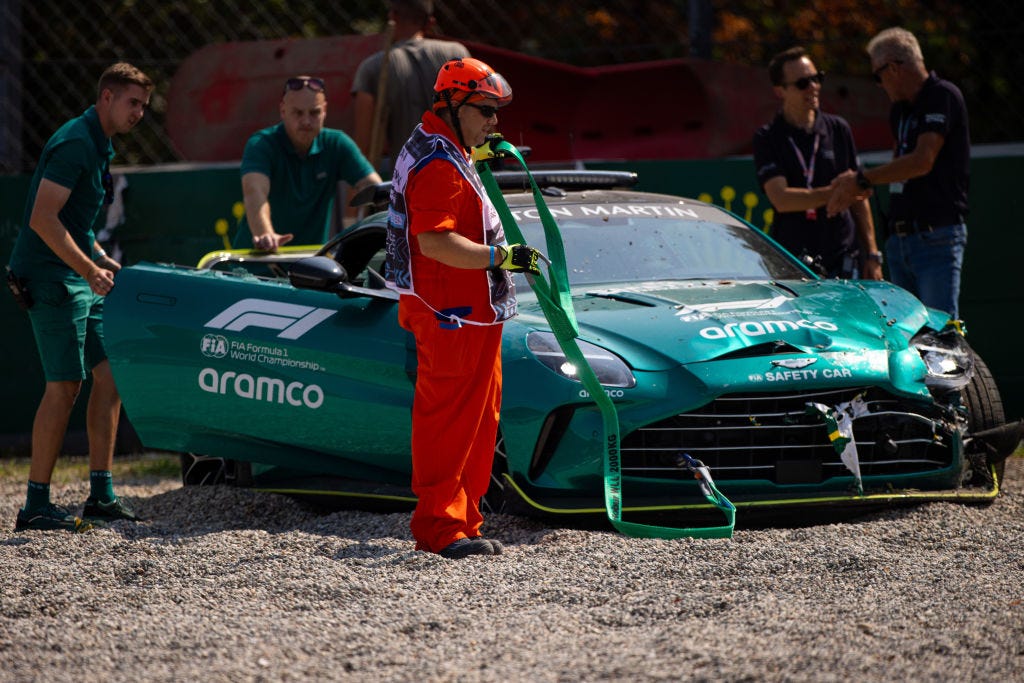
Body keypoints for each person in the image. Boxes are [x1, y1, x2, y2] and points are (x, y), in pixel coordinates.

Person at [385, 57, 541, 559]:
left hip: (471, 312)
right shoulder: (438, 164)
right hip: (452, 312)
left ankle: (463, 520)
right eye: (486, 110)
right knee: (449, 422)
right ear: (452, 105)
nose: (495, 122)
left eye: (497, 111)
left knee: (478, 419)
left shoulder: (446, 148)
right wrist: (503, 256)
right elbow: (436, 243)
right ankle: (440, 527)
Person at [7, 62, 153, 532]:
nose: (139, 114)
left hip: (75, 273)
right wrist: (90, 270)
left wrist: (103, 262)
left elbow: (78, 223)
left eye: (144, 106)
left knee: (109, 375)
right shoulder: (75, 142)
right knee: (65, 385)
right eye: (133, 103)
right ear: (106, 97)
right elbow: (43, 219)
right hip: (49, 277)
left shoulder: (99, 142)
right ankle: (35, 506)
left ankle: (101, 495)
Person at [828, 27, 970, 319]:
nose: (880, 85)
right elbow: (899, 166)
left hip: (936, 237)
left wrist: (862, 180)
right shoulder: (900, 111)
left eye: (877, 76)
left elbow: (921, 161)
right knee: (906, 336)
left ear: (892, 68)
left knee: (938, 336)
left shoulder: (942, 95)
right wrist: (861, 186)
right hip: (900, 240)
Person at [753, 47, 882, 280]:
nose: (813, 87)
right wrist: (838, 191)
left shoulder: (838, 129)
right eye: (803, 83)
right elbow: (782, 199)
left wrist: (872, 255)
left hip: (843, 257)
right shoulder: (768, 138)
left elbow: (859, 197)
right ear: (780, 91)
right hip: (792, 263)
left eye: (817, 78)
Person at [234, 75, 382, 251]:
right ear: (283, 111)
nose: (306, 121)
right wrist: (266, 235)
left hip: (309, 266)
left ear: (325, 110)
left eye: (314, 112)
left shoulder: (337, 143)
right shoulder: (260, 144)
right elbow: (254, 194)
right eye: (297, 112)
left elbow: (376, 189)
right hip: (256, 265)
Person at [350, 0, 470, 172]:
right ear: (431, 22)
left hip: (408, 180)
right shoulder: (458, 55)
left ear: (392, 17)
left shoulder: (373, 67)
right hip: (459, 173)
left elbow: (364, 145)